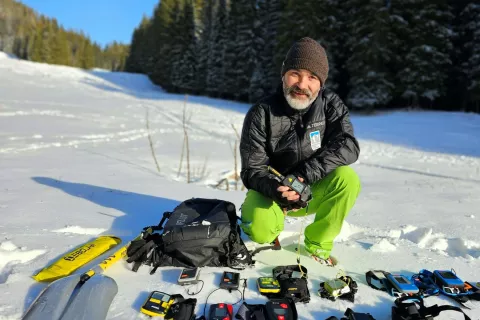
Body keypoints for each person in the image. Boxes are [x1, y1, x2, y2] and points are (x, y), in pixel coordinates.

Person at [239, 37, 361, 266]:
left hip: (312, 189)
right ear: (283, 74)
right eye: (295, 73)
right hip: (271, 191)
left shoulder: (330, 105)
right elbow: (251, 169)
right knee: (260, 230)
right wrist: (278, 189)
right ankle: (270, 226)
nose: (302, 84)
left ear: (321, 83)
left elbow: (349, 146)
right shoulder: (260, 113)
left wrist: (304, 175)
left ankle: (317, 245)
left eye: (312, 77)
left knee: (347, 179)